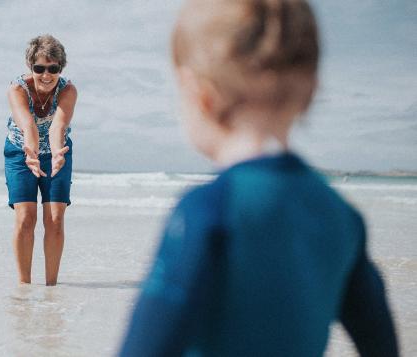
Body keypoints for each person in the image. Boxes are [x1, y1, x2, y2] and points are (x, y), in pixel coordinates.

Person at [119, 0, 399, 356]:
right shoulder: (342, 217)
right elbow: (382, 346)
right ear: (310, 91)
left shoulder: (208, 211)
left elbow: (146, 348)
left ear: (199, 94)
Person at [4, 34, 77, 286]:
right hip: (21, 151)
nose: (46, 75)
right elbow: (28, 125)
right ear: (30, 67)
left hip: (58, 154)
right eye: (39, 68)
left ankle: (51, 287)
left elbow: (58, 126)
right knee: (26, 218)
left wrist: (57, 153)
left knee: (55, 220)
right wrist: (31, 153)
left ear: (60, 68)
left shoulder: (67, 90)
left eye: (53, 68)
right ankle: (24, 285)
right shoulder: (17, 89)